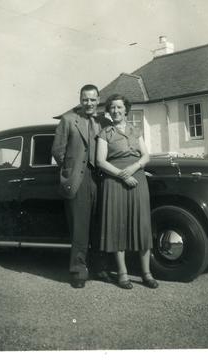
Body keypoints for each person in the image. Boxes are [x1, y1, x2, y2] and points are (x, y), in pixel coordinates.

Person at [52, 84, 112, 289]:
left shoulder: (105, 121)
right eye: (85, 99)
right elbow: (57, 151)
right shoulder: (68, 120)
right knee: (79, 228)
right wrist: (72, 169)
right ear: (80, 99)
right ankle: (78, 271)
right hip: (79, 179)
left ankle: (100, 267)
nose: (89, 103)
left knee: (100, 225)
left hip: (102, 178)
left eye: (93, 99)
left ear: (98, 99)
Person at [96, 94, 159, 290]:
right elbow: (100, 161)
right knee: (117, 226)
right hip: (114, 181)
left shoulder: (135, 130)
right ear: (109, 111)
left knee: (141, 225)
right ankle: (122, 273)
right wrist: (123, 175)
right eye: (112, 108)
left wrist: (134, 168)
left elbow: (146, 155)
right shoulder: (105, 133)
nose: (115, 111)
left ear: (126, 110)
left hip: (137, 178)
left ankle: (146, 273)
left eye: (119, 107)